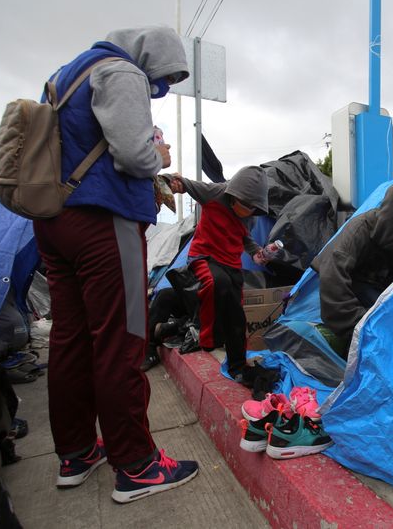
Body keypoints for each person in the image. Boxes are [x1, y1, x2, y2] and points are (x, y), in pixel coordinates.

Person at [32, 26, 199, 504]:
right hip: (104, 221)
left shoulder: (66, 74)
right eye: (163, 78)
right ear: (150, 56)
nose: (162, 88)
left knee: (71, 338)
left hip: (56, 220)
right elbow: (132, 154)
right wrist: (159, 156)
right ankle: (138, 464)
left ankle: (77, 453)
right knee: (122, 339)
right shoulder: (121, 71)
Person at [166, 166, 269, 381]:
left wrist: (256, 253)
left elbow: (246, 239)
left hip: (231, 264)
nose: (243, 210)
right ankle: (207, 339)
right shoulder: (214, 193)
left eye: (249, 207)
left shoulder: (252, 216)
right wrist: (172, 183)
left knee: (237, 315)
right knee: (215, 282)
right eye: (240, 203)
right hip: (204, 256)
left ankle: (238, 366)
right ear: (232, 194)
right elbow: (186, 183)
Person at [310, 179, 393, 358]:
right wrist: (365, 329)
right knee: (375, 323)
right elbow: (333, 288)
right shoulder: (355, 236)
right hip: (341, 289)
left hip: (371, 286)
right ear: (392, 227)